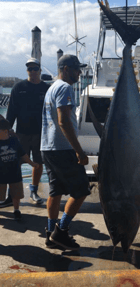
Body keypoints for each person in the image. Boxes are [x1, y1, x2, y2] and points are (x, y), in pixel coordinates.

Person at [41, 54, 90, 251]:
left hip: (48, 147)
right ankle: (61, 231)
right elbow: (63, 121)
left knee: (56, 191)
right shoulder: (64, 88)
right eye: (77, 69)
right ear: (67, 69)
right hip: (62, 149)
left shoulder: (51, 88)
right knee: (81, 190)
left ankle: (50, 234)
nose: (79, 73)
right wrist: (79, 151)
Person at [5, 58, 49, 205]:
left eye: (35, 68)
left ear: (40, 70)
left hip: (40, 134)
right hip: (21, 133)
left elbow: (51, 112)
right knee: (15, 162)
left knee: (38, 163)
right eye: (29, 69)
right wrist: (7, 130)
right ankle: (12, 196)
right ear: (27, 71)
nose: (32, 71)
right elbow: (11, 111)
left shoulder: (45, 88)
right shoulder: (19, 87)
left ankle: (34, 191)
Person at [0, 118, 39, 220]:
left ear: (5, 131)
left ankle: (16, 210)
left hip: (15, 173)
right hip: (1, 175)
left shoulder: (14, 141)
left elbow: (23, 155)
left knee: (16, 195)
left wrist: (32, 163)